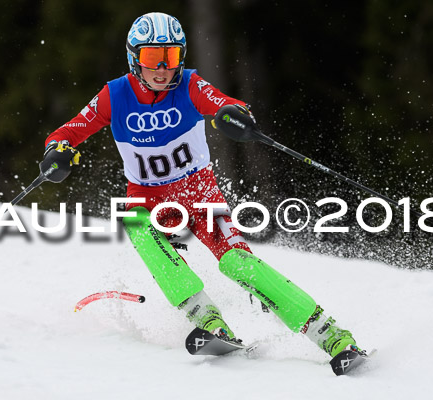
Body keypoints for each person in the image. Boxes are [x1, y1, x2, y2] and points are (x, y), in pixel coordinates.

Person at [41, 12, 363, 359]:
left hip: (199, 193)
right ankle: (208, 321)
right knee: (137, 227)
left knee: (239, 263)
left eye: (172, 56)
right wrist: (57, 151)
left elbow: (224, 103)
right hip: (147, 197)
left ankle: (332, 336)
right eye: (153, 57)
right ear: (134, 58)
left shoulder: (190, 85)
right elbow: (67, 132)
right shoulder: (114, 96)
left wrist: (235, 115)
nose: (163, 68)